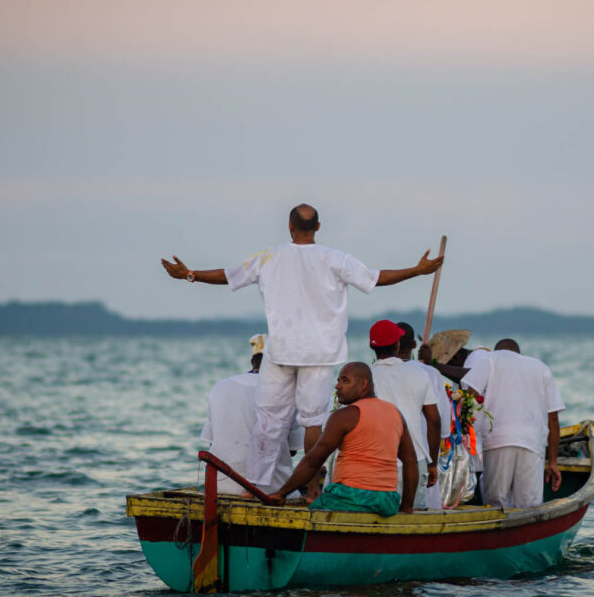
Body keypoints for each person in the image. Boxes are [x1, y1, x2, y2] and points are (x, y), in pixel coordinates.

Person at [161, 203, 443, 488]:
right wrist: (418, 271)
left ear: (289, 226)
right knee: (313, 423)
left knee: (269, 420)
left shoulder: (269, 256)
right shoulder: (335, 259)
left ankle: (256, 486)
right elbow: (377, 278)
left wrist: (190, 274)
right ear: (319, 227)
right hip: (320, 354)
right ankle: (311, 490)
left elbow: (228, 275)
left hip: (281, 350)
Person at [267, 362, 418, 516]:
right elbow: (411, 460)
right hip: (387, 500)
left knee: (312, 512)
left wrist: (282, 493)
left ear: (363, 384)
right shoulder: (395, 413)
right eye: (338, 380)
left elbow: (314, 460)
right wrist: (406, 507)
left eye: (345, 380)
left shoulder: (344, 416)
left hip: (350, 497)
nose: (338, 386)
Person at [455, 339, 565, 509]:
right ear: (518, 353)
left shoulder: (489, 359)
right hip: (533, 443)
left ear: (497, 350)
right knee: (529, 504)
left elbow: (469, 398)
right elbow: (553, 419)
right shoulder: (540, 367)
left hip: (498, 439)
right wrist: (553, 462)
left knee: (495, 502)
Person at [199, 337, 300, 496]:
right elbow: (293, 450)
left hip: (220, 486)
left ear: (253, 361)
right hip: (270, 490)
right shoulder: (287, 391)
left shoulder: (220, 387)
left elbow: (213, 440)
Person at [369, 320, 440, 508]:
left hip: (377, 462)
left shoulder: (366, 377)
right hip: (416, 462)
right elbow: (434, 421)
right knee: (415, 520)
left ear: (371, 346)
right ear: (397, 344)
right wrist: (433, 463)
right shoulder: (419, 373)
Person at [397, 321, 449, 509]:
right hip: (422, 453)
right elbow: (440, 425)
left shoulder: (374, 372)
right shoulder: (430, 373)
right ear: (413, 345)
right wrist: (433, 464)